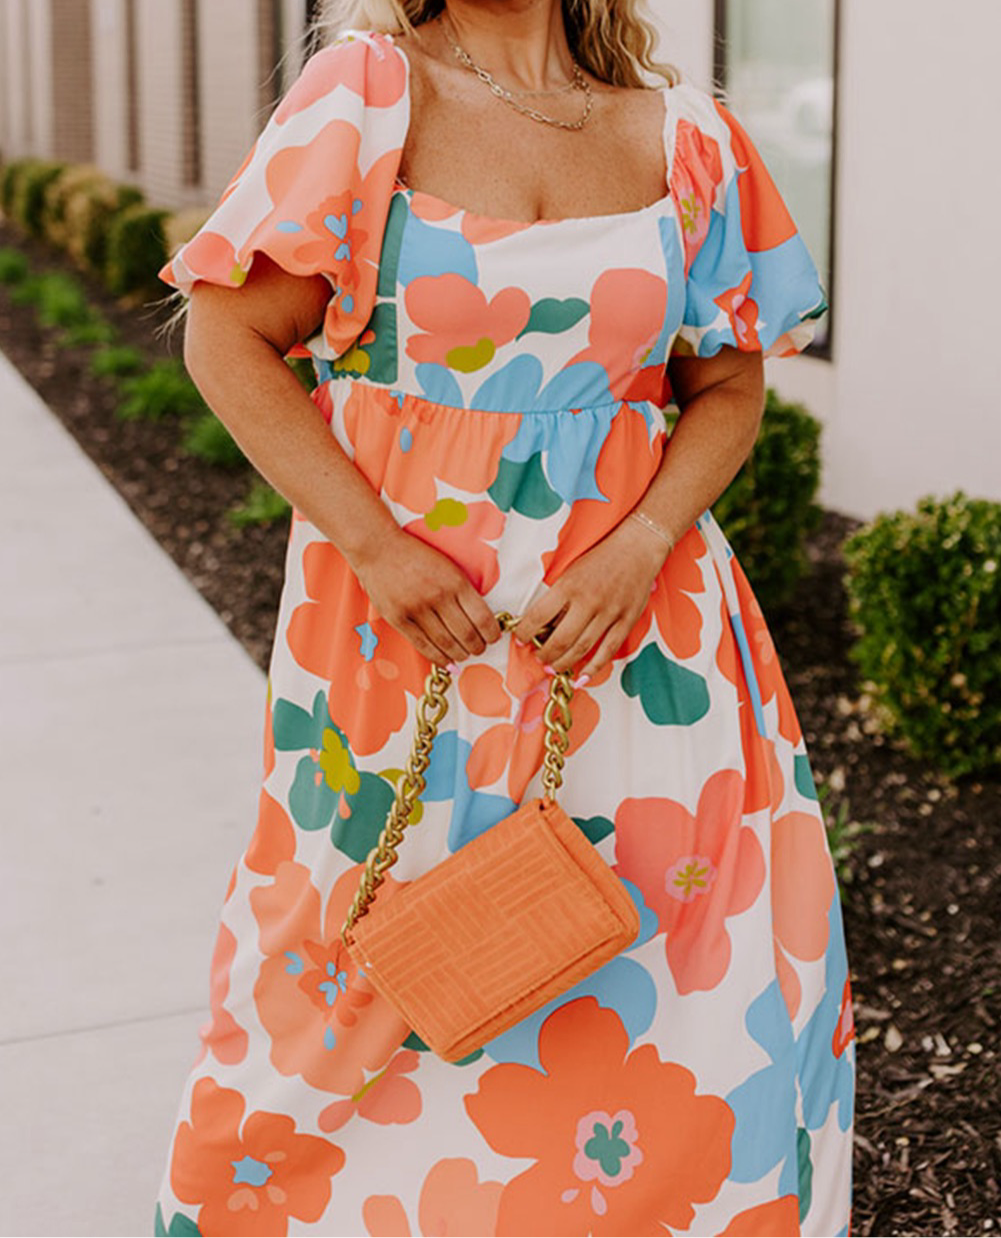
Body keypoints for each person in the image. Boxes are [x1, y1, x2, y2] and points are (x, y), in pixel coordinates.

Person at [155, 1, 856, 1234]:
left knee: (673, 964)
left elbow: (728, 384)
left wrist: (641, 542)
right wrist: (374, 546)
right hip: (402, 634)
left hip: (647, 641)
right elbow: (227, 336)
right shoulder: (364, 95)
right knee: (349, 966)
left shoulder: (686, 132)